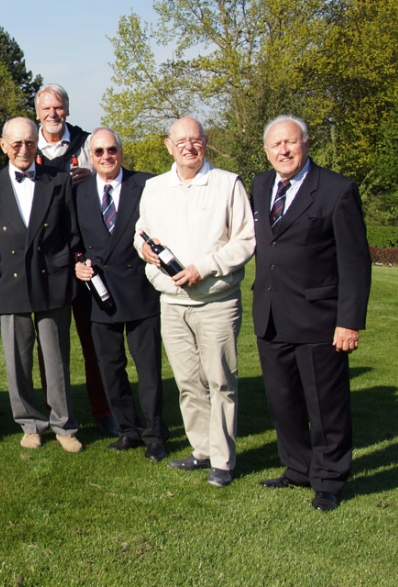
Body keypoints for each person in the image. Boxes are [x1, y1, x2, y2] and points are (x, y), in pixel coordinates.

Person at [251, 115, 371, 512]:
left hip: (319, 318)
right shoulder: (261, 185)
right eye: (275, 145)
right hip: (271, 315)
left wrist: (349, 321)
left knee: (325, 405)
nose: (283, 151)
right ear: (266, 151)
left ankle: (329, 478)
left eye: (290, 142)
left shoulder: (336, 190)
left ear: (305, 143)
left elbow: (355, 263)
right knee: (282, 402)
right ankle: (297, 468)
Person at [135, 116, 255, 488]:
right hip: (171, 302)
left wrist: (203, 268)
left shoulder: (227, 184)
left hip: (215, 300)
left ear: (206, 143)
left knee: (220, 381)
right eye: (181, 141)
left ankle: (223, 460)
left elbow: (245, 240)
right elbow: (142, 233)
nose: (189, 146)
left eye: (196, 140)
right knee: (188, 381)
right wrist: (143, 250)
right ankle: (201, 450)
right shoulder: (155, 188)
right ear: (169, 146)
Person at [0, 117, 83, 453]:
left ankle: (64, 424)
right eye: (17, 143)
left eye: (30, 143)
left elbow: (72, 230)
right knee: (17, 358)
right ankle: (30, 423)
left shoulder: (58, 180)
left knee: (56, 357)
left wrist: (70, 263)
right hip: (7, 279)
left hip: (52, 276)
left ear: (38, 144)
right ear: (4, 145)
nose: (24, 149)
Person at [73, 128, 167, 461]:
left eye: (111, 150)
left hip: (140, 290)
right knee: (110, 367)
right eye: (98, 152)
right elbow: (75, 242)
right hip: (100, 294)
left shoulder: (147, 185)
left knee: (148, 369)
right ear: (91, 155)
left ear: (121, 152)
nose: (106, 157)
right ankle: (128, 430)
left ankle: (156, 433)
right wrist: (78, 264)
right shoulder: (80, 192)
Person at [34, 83, 115, 437]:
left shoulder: (87, 143)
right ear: (37, 113)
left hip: (84, 256)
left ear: (67, 108)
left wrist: (93, 177)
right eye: (47, 108)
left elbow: (114, 177)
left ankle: (106, 410)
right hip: (45, 261)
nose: (53, 114)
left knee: (94, 339)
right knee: (48, 342)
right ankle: (55, 413)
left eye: (59, 107)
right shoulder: (25, 147)